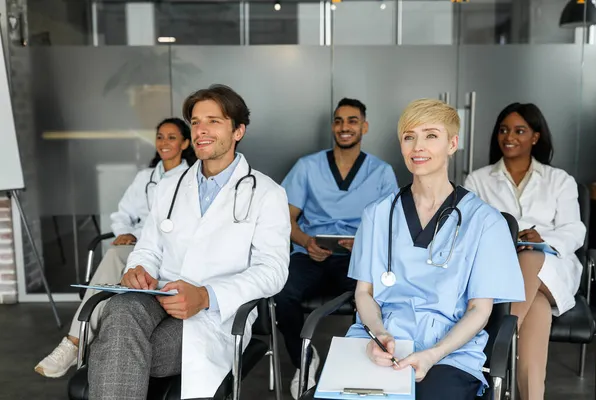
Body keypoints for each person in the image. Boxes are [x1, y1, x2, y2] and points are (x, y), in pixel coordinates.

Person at [87, 84, 291, 400]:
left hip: (214, 315)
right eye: (196, 122)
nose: (201, 130)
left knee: (118, 346)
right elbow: (148, 246)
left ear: (238, 131)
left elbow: (273, 271)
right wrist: (138, 268)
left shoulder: (267, 194)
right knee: (121, 307)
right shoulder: (168, 187)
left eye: (214, 121)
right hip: (158, 295)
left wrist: (206, 295)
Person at [345, 99, 525, 400]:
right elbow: (364, 293)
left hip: (449, 352)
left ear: (452, 144)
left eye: (431, 135)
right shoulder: (377, 214)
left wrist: (432, 354)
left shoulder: (485, 221)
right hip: (380, 341)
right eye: (409, 136)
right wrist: (379, 335)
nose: (418, 146)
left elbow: (480, 310)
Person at [34, 117, 195, 378]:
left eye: (172, 137)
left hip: (170, 253)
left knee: (115, 256)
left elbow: (174, 227)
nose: (164, 143)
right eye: (160, 137)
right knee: (117, 255)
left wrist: (137, 235)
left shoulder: (192, 179)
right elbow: (122, 214)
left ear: (185, 142)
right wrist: (125, 232)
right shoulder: (145, 177)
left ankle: (75, 342)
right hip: (141, 250)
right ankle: (82, 342)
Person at [276, 98, 398, 398]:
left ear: (364, 127)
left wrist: (363, 243)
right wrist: (306, 242)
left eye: (352, 121)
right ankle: (304, 362)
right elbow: (285, 218)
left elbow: (391, 226)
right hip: (312, 254)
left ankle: (360, 367)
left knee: (373, 300)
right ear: (333, 126)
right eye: (339, 121)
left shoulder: (381, 172)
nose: (345, 127)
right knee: (281, 294)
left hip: (357, 258)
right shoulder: (307, 167)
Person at [464, 102, 586, 400]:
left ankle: (494, 343)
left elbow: (575, 230)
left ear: (535, 137)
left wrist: (543, 237)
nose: (510, 136)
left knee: (529, 256)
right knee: (538, 311)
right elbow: (469, 231)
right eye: (504, 130)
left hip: (552, 267)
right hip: (503, 270)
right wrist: (505, 238)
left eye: (520, 130)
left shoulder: (559, 180)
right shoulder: (477, 180)